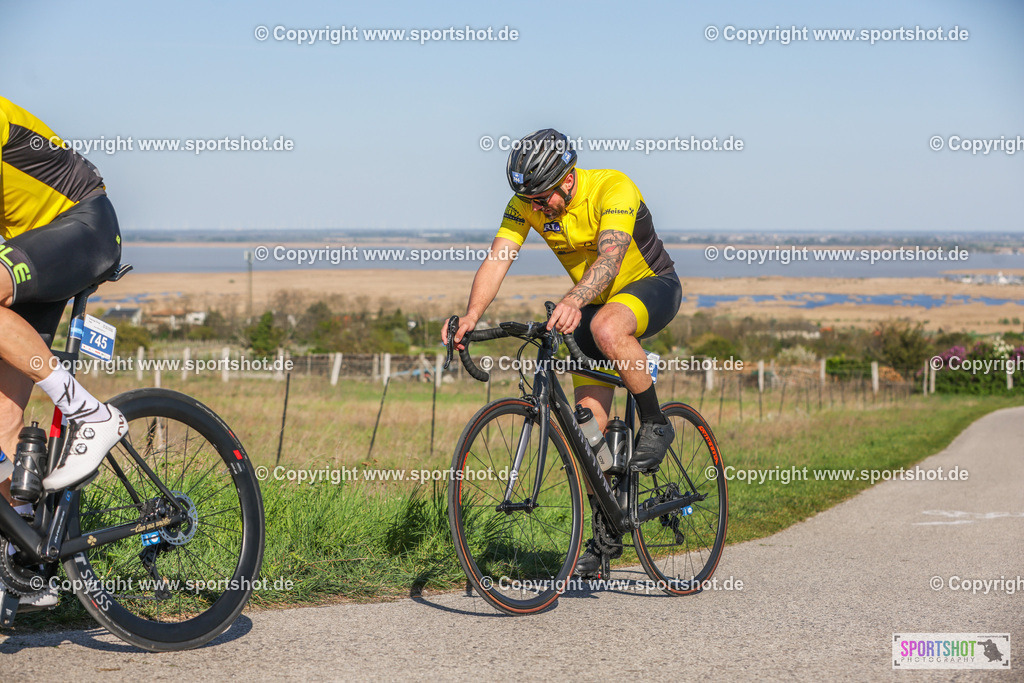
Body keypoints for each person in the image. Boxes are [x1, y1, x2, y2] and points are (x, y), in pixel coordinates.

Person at [443, 128, 682, 577]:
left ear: (568, 180)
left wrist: (573, 300)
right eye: (528, 201)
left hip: (650, 287)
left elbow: (609, 260)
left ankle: (655, 422)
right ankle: (607, 531)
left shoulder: (613, 187)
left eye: (541, 199)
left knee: (607, 324)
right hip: (591, 301)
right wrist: (472, 315)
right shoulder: (526, 203)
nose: (534, 209)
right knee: (587, 430)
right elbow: (499, 258)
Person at [0, 96, 129, 610]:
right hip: (31, 248)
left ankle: (88, 413)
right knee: (3, 428)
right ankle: (24, 564)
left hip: (82, 226)